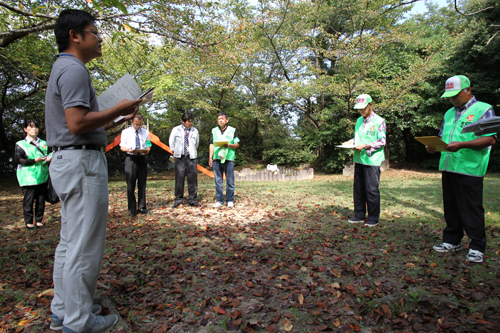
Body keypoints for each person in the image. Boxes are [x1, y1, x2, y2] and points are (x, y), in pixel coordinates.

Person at [45, 9, 142, 333]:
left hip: (70, 161)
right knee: (84, 245)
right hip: (82, 164)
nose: (99, 38)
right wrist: (119, 107)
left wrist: (116, 118)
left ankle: (64, 310)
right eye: (94, 31)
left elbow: (82, 120)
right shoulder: (73, 70)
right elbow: (75, 124)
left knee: (70, 243)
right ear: (75, 35)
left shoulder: (65, 67)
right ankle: (79, 321)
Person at [427, 75, 496, 263]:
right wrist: (433, 146)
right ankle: (452, 240)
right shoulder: (449, 113)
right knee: (451, 206)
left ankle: (477, 246)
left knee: (471, 208)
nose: (453, 99)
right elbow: (444, 136)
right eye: (449, 96)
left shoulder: (484, 110)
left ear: (468, 90)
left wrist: (463, 145)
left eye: (456, 95)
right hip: (449, 166)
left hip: (469, 167)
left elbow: (491, 138)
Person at [343, 94, 386, 227]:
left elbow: (382, 141)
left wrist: (367, 146)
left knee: (371, 189)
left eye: (363, 108)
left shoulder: (379, 121)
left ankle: (373, 218)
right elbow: (358, 139)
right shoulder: (359, 121)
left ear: (370, 105)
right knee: (359, 189)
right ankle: (359, 215)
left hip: (372, 160)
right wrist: (349, 143)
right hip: (359, 159)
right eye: (359, 109)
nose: (361, 111)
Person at [14, 120, 51, 230]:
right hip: (28, 177)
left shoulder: (44, 143)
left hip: (42, 176)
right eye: (31, 127)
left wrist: (49, 159)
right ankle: (29, 221)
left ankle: (39, 220)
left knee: (41, 200)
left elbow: (48, 154)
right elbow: (18, 160)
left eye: (36, 127)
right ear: (25, 129)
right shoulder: (21, 144)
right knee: (29, 200)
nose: (34, 129)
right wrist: (35, 160)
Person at [120, 114, 150, 216]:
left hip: (142, 158)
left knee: (142, 184)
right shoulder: (126, 132)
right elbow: (122, 146)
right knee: (130, 184)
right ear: (132, 122)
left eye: (140, 124)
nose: (138, 126)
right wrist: (129, 149)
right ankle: (132, 208)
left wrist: (147, 150)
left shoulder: (145, 132)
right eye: (137, 124)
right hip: (131, 158)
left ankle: (142, 207)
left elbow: (148, 144)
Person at [208, 112, 240, 208]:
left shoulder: (232, 130)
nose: (220, 120)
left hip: (228, 158)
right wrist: (210, 157)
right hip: (216, 159)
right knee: (218, 181)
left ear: (227, 120)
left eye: (222, 118)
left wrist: (229, 145)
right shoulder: (214, 131)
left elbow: (237, 144)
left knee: (230, 181)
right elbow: (211, 144)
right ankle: (219, 200)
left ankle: (230, 200)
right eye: (218, 119)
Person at [169, 112, 200, 208]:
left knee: (192, 179)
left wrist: (191, 151)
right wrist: (175, 152)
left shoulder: (195, 131)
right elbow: (171, 142)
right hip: (180, 158)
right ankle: (178, 199)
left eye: (192, 121)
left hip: (191, 158)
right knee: (179, 178)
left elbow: (197, 143)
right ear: (183, 121)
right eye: (189, 121)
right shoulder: (176, 130)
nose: (191, 123)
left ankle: (191, 198)